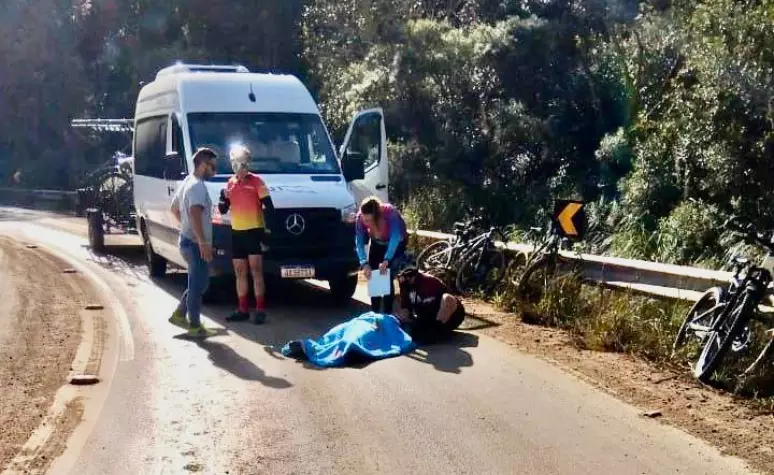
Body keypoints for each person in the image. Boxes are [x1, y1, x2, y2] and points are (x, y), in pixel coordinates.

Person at [217, 145, 274, 324]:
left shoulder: (257, 181)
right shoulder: (230, 182)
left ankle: (260, 309)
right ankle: (242, 309)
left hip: (254, 232)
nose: (240, 169)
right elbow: (223, 208)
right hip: (237, 232)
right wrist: (222, 199)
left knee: (256, 271)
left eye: (243, 165)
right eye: (237, 165)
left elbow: (269, 208)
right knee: (240, 272)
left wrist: (267, 232)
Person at [169, 148, 219, 338]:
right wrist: (202, 242)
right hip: (195, 244)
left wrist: (186, 228)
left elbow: (173, 208)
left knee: (198, 283)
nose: (215, 171)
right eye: (212, 167)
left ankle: (180, 315)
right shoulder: (197, 186)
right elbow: (195, 213)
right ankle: (195, 326)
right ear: (203, 164)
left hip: (187, 241)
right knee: (198, 287)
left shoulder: (187, 182)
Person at [355, 196, 408, 313]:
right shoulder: (361, 217)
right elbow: (359, 242)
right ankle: (375, 315)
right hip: (377, 242)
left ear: (377, 217)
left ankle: (388, 314)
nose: (365, 223)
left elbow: (395, 238)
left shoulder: (390, 214)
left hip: (396, 242)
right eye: (364, 219)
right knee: (375, 277)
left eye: (368, 220)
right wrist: (364, 263)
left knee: (386, 276)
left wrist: (387, 260)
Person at [396, 267, 466, 345]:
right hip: (428, 316)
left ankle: (437, 328)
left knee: (447, 298)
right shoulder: (405, 286)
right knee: (414, 331)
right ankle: (433, 329)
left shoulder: (428, 281)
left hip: (450, 315)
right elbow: (406, 309)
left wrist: (435, 326)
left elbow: (448, 300)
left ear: (412, 277)